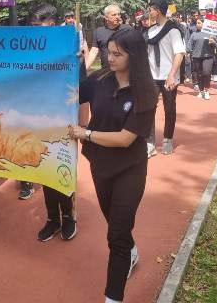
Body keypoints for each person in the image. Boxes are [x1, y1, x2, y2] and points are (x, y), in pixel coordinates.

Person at [70, 28, 157, 303]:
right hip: (100, 165)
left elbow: (124, 139)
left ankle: (113, 297)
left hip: (129, 169)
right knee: (116, 224)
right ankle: (130, 250)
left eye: (117, 54)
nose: (110, 58)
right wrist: (69, 62)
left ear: (134, 56)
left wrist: (86, 133)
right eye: (109, 52)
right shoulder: (100, 79)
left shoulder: (146, 92)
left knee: (116, 234)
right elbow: (70, 91)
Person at [31, 3, 77, 241]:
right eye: (32, 26)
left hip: (63, 118)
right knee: (44, 170)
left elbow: (77, 83)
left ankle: (68, 217)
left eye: (37, 25)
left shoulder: (69, 44)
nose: (34, 30)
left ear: (51, 24)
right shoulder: (31, 49)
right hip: (39, 116)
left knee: (62, 168)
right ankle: (52, 219)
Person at [144, 0, 185, 156]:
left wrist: (171, 75)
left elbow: (179, 54)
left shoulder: (173, 30)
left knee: (169, 108)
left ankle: (167, 139)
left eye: (151, 10)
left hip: (168, 76)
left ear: (158, 10)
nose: (149, 12)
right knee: (148, 109)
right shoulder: (150, 31)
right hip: (152, 77)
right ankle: (150, 142)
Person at [86, 4, 123, 69]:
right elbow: (94, 51)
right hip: (106, 71)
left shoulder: (127, 30)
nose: (117, 17)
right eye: (114, 15)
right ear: (106, 17)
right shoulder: (99, 32)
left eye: (119, 14)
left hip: (124, 72)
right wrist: (85, 68)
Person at [186, 19, 215, 100]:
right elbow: (189, 44)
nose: (197, 24)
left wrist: (213, 42)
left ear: (204, 24)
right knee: (199, 74)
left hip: (208, 56)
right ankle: (201, 91)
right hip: (196, 57)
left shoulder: (210, 33)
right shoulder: (194, 34)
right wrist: (187, 51)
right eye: (196, 23)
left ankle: (206, 91)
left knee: (206, 72)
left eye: (199, 23)